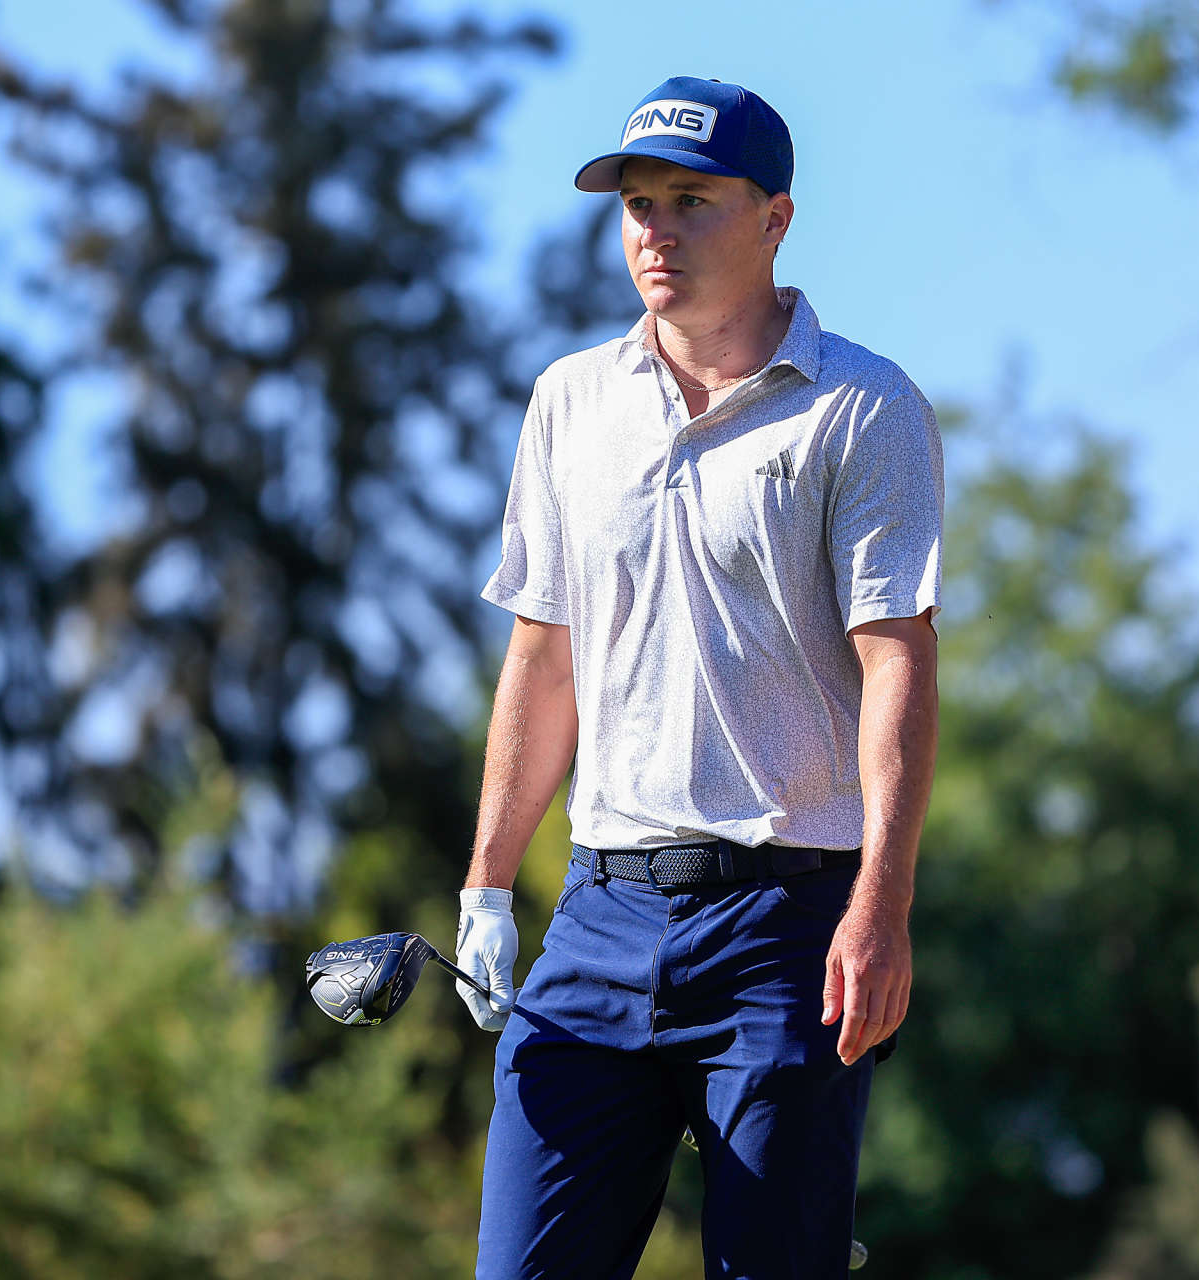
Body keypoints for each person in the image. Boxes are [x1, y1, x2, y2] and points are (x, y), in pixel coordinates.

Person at [453, 75, 943, 1279]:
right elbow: (543, 656)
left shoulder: (862, 408)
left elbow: (899, 667)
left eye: (689, 201)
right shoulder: (569, 400)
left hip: (788, 929)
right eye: (636, 205)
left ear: (775, 218)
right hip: (600, 914)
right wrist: (486, 886)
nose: (654, 232)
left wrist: (882, 901)